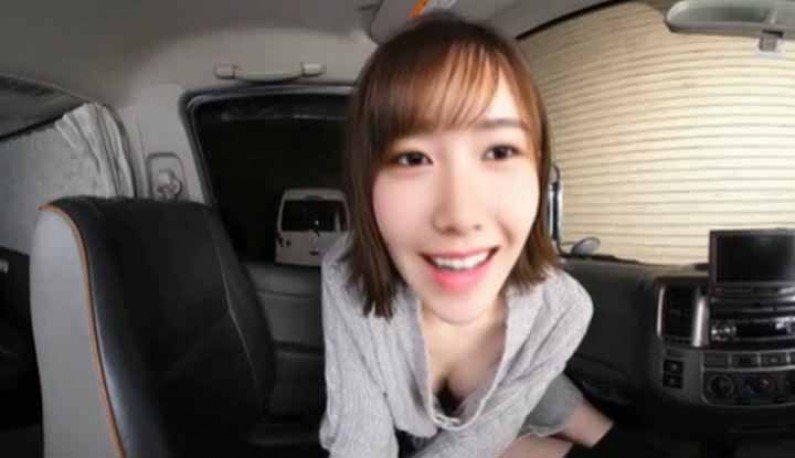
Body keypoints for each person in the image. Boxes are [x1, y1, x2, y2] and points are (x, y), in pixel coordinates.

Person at [320, 13, 636, 458]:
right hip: (454, 429)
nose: (460, 216)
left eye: (499, 151)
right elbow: (362, 442)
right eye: (412, 158)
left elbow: (481, 440)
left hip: (526, 398)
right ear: (366, 181)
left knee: (603, 435)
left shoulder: (562, 310)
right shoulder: (346, 273)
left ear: (538, 168)